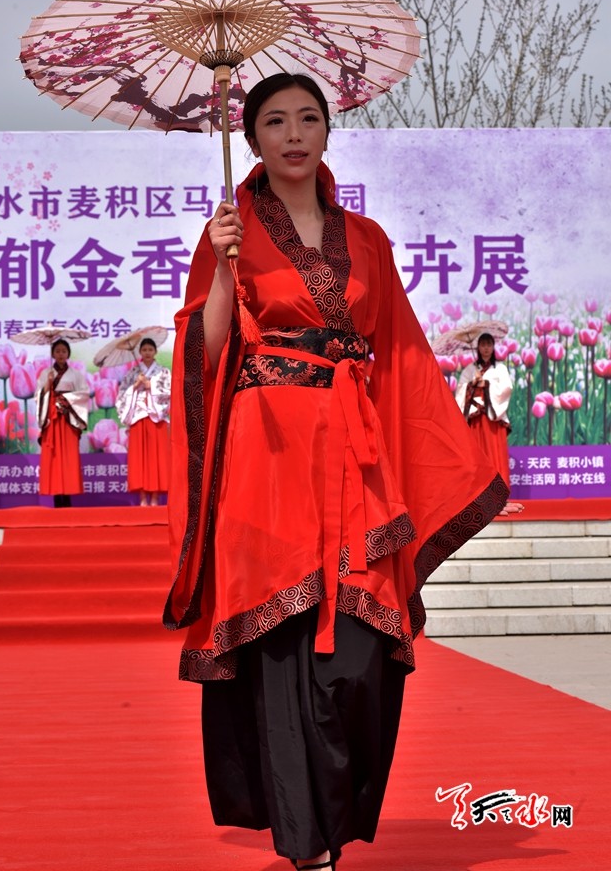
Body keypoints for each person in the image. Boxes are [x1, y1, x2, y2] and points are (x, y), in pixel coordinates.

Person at [164, 74, 508, 870]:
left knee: (358, 657)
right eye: (275, 122)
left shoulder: (369, 238)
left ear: (326, 131)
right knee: (283, 648)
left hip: (355, 458)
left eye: (308, 118)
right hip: (268, 457)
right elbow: (203, 356)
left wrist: (444, 467)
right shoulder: (228, 234)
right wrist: (222, 272)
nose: (293, 134)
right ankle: (307, 845)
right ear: (251, 140)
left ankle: (330, 814)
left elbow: (404, 358)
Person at [455, 332, 515, 502]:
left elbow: (506, 388)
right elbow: (460, 390)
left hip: (493, 419)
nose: (486, 348)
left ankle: (498, 496)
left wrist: (486, 384)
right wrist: (472, 384)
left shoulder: (500, 368)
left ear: (493, 347)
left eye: (489, 344)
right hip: (476, 418)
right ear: (478, 347)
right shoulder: (470, 369)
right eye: (483, 344)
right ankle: (479, 496)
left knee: (495, 455)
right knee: (478, 456)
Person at [115, 337, 171, 506]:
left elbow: (171, 391)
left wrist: (151, 387)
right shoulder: (133, 373)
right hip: (138, 417)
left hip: (156, 418)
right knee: (139, 459)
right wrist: (135, 385)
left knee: (156, 458)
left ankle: (154, 498)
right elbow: (122, 394)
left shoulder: (163, 372)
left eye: (150, 349)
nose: (147, 352)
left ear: (155, 352)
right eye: (144, 350)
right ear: (140, 352)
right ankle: (142, 498)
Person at [36, 339, 88, 508]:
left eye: (63, 351)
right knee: (53, 459)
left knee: (68, 458)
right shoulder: (46, 373)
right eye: (57, 351)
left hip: (68, 420)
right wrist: (48, 384)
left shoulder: (75, 374)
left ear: (68, 353)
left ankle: (67, 495)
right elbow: (38, 396)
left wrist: (66, 400)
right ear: (53, 353)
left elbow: (84, 394)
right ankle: (56, 495)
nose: (60, 354)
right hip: (52, 420)